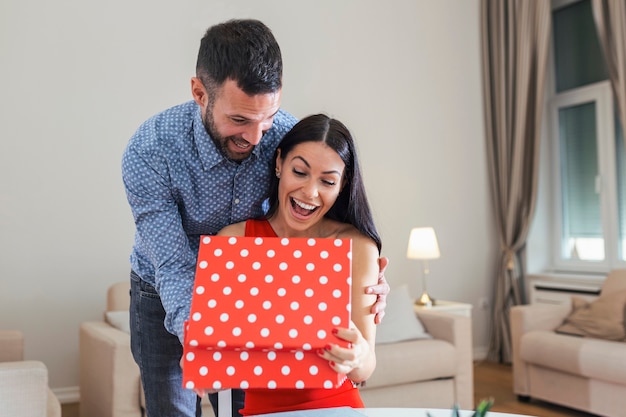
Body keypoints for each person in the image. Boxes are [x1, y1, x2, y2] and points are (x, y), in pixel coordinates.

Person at [121, 19, 389, 417]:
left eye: (268, 118)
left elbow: (316, 213)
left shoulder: (283, 137)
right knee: (172, 408)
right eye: (240, 121)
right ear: (199, 92)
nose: (257, 136)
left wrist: (360, 281)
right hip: (162, 288)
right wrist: (200, 342)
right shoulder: (151, 151)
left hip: (249, 284)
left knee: (244, 407)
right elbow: (175, 267)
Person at [214, 114, 381, 415]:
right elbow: (218, 359)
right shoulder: (235, 241)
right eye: (300, 172)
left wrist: (357, 357)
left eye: (327, 181)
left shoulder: (358, 247)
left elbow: (364, 370)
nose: (309, 193)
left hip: (336, 407)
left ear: (342, 186)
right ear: (279, 163)